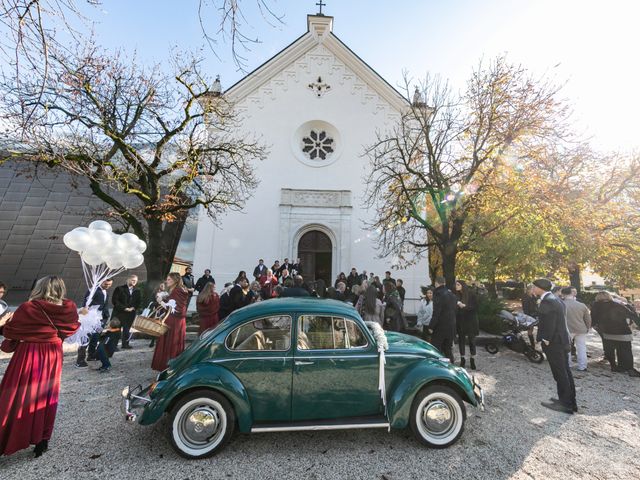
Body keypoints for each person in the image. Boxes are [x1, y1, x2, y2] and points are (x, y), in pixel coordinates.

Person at [0, 276, 80, 457]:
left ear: (39, 288)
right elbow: (72, 329)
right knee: (45, 396)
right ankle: (42, 440)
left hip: (29, 355)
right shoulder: (69, 308)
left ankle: (8, 438)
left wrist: (3, 324)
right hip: (53, 355)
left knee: (15, 396)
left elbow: (11, 331)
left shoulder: (29, 308)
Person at [532, 278, 576, 414]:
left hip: (554, 342)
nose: (532, 289)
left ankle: (566, 404)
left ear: (541, 288)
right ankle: (569, 400)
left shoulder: (548, 301)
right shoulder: (556, 299)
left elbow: (549, 323)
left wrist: (545, 339)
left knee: (560, 373)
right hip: (561, 340)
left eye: (534, 287)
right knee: (564, 371)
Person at [591, 291, 640, 377]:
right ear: (609, 296)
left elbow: (593, 319)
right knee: (626, 350)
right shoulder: (617, 305)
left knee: (610, 350)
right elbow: (631, 315)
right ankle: (629, 369)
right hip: (622, 331)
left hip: (607, 332)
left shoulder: (595, 306)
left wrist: (596, 327)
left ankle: (614, 366)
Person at [151, 272, 189, 371]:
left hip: (175, 321)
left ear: (175, 280)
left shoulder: (177, 290)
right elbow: (173, 304)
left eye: (169, 280)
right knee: (170, 342)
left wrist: (160, 301)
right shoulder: (178, 290)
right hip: (176, 320)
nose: (167, 281)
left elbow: (174, 309)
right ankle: (169, 365)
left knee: (171, 342)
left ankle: (168, 366)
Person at [76, 279, 113, 368]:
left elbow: (105, 306)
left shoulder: (106, 293)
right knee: (85, 338)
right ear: (101, 281)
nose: (107, 286)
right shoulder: (93, 290)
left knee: (95, 337)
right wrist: (86, 314)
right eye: (106, 284)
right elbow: (86, 302)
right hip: (90, 318)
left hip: (100, 319)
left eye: (109, 284)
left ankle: (91, 355)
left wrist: (105, 318)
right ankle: (80, 360)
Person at [561, 286, 591, 372]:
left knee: (567, 347)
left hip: (567, 329)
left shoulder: (561, 304)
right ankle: (582, 366)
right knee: (582, 347)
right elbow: (588, 318)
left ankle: (568, 364)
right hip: (581, 329)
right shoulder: (581, 305)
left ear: (563, 294)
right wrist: (588, 327)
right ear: (572, 293)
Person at [428, 276, 457, 363]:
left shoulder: (438, 294)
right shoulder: (452, 294)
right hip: (451, 325)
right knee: (448, 349)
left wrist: (431, 326)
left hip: (440, 326)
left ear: (436, 283)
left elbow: (436, 312)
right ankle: (452, 368)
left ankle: (436, 368)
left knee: (435, 349)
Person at [111, 274, 141, 350]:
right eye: (133, 280)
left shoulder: (137, 290)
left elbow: (138, 301)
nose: (134, 282)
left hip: (130, 314)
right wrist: (125, 308)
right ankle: (113, 346)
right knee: (116, 330)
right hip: (119, 313)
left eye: (136, 281)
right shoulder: (119, 289)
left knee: (127, 330)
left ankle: (125, 344)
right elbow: (115, 301)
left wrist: (133, 307)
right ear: (128, 280)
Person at [455, 280, 479, 370]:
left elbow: (475, 307)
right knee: (461, 340)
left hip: (470, 321)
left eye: (458, 284)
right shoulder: (457, 295)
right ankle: (463, 359)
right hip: (460, 321)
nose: (456, 286)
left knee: (472, 341)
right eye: (456, 285)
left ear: (462, 285)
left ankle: (472, 359)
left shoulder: (471, 294)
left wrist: (465, 307)